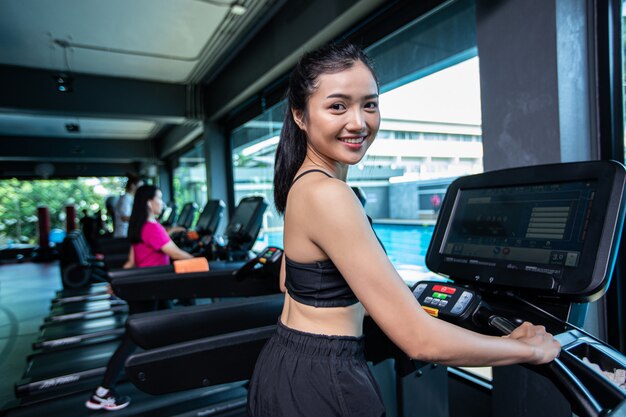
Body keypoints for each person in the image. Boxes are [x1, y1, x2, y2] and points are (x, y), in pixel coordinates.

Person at [247, 43, 561, 417]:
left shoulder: (302, 183)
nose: (358, 122)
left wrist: (380, 296)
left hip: (287, 365)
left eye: (369, 104)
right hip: (324, 377)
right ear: (300, 115)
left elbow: (289, 280)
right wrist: (527, 347)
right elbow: (420, 341)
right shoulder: (329, 193)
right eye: (337, 106)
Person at [86, 185, 192, 411]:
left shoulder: (141, 227)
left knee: (172, 326)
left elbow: (131, 263)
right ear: (148, 202)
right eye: (160, 198)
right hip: (149, 290)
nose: (162, 203)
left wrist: (117, 282)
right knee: (131, 340)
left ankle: (171, 370)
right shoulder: (151, 227)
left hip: (150, 289)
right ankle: (102, 392)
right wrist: (203, 264)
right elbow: (175, 253)